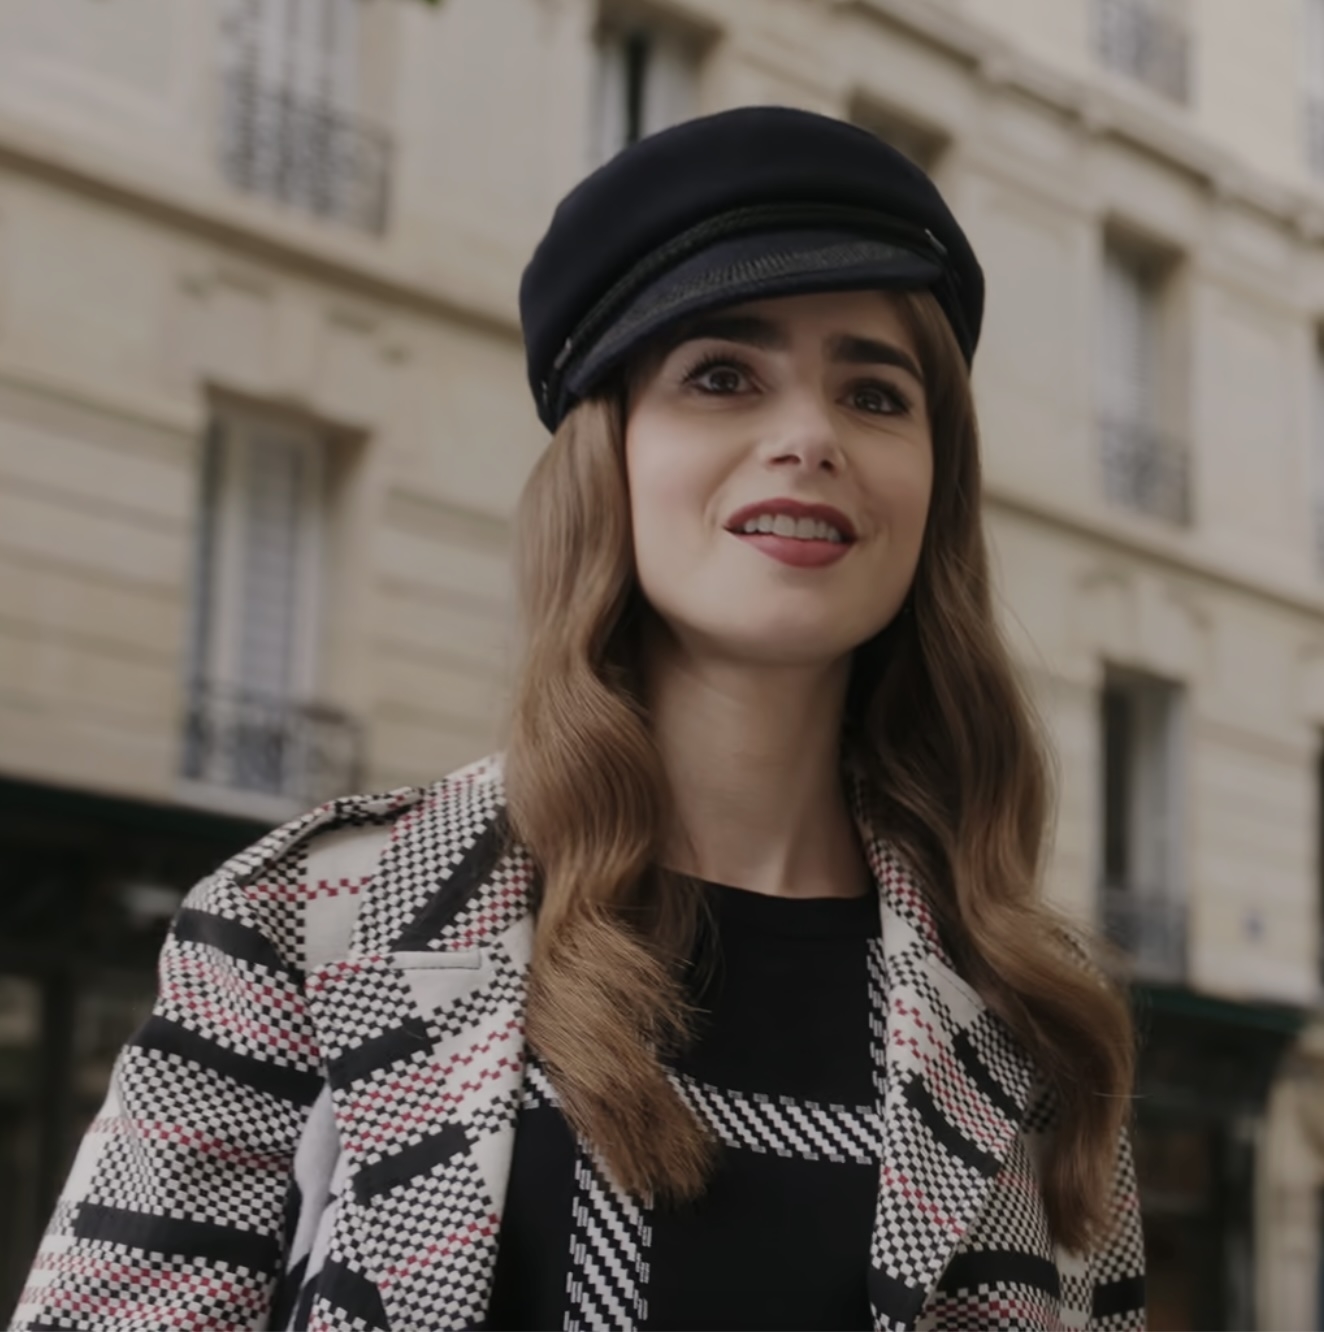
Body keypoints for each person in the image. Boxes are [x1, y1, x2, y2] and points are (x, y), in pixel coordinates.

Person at [15, 107, 1145, 1332]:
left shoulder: (1033, 1010)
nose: (810, 437)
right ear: (605, 458)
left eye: (876, 394)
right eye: (722, 376)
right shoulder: (300, 931)